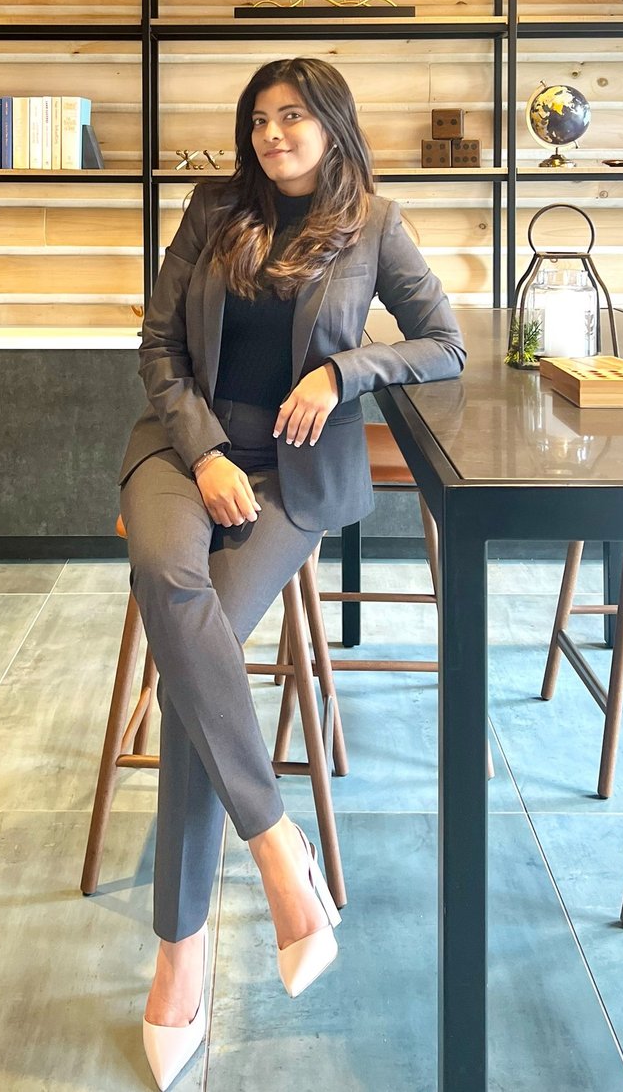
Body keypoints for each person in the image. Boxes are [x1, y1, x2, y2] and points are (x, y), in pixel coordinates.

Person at [117, 57, 465, 1090]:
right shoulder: (214, 205)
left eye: (293, 118)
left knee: (195, 653)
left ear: (331, 128)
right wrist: (205, 452)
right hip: (184, 453)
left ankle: (180, 948)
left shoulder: (374, 222)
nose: (273, 134)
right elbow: (158, 345)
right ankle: (277, 851)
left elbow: (442, 343)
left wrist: (341, 369)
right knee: (170, 584)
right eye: (259, 119)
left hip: (293, 478)